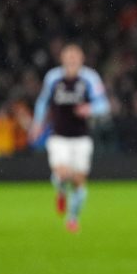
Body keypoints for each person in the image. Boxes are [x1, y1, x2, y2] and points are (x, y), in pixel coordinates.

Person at [29, 43, 110, 233]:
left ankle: (72, 218)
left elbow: (104, 105)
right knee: (63, 173)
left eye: (75, 56)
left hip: (81, 138)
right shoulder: (53, 78)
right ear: (62, 59)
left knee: (79, 181)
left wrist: (89, 109)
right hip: (58, 136)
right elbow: (43, 102)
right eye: (69, 56)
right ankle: (60, 189)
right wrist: (37, 124)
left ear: (81, 59)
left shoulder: (90, 78)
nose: (72, 59)